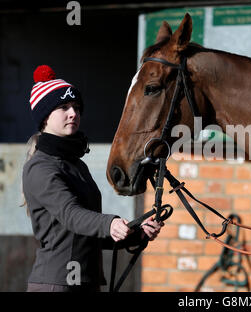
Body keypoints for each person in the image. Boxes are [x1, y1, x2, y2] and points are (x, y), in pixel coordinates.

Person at [22, 65, 163, 292]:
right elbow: (71, 215)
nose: (73, 113)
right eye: (64, 107)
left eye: (77, 108)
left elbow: (86, 232)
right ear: (45, 116)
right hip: (57, 285)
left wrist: (135, 233)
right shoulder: (40, 167)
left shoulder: (76, 165)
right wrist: (110, 223)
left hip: (87, 283)